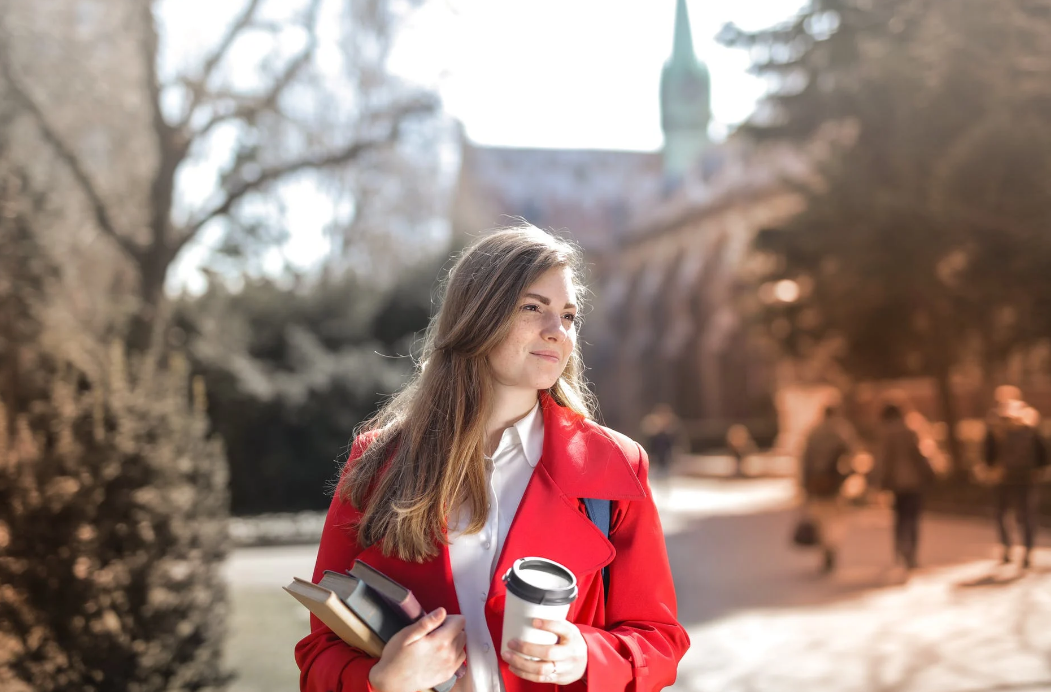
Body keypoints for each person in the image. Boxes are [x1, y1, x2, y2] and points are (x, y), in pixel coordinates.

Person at [295, 226, 690, 692]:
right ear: (476, 317)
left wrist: (588, 654)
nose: (557, 331)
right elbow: (320, 651)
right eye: (532, 307)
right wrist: (380, 680)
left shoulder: (615, 465)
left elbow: (659, 641)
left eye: (568, 315)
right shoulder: (378, 461)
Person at [982, 396, 1048, 569]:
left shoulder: (996, 429)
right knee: (1027, 516)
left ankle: (1007, 548)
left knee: (1002, 514)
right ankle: (1027, 551)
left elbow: (988, 457)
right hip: (1026, 478)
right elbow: (1043, 454)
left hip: (1002, 478)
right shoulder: (1030, 428)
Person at [871, 403, 935, 571]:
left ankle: (900, 548)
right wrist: (929, 474)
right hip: (914, 482)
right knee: (913, 518)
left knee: (899, 518)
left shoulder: (885, 434)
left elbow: (883, 461)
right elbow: (920, 456)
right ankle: (911, 552)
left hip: (896, 483)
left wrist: (881, 482)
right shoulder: (911, 430)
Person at [798, 405, 855, 573]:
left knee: (820, 518)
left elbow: (805, 460)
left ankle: (825, 548)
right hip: (834, 483)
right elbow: (851, 455)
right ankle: (831, 547)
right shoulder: (842, 432)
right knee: (834, 517)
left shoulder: (814, 433)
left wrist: (804, 484)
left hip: (815, 483)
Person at [640, 403, 680, 478]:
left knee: (664, 477)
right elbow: (649, 445)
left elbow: (673, 445)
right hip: (655, 460)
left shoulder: (669, 433)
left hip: (665, 460)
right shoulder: (653, 433)